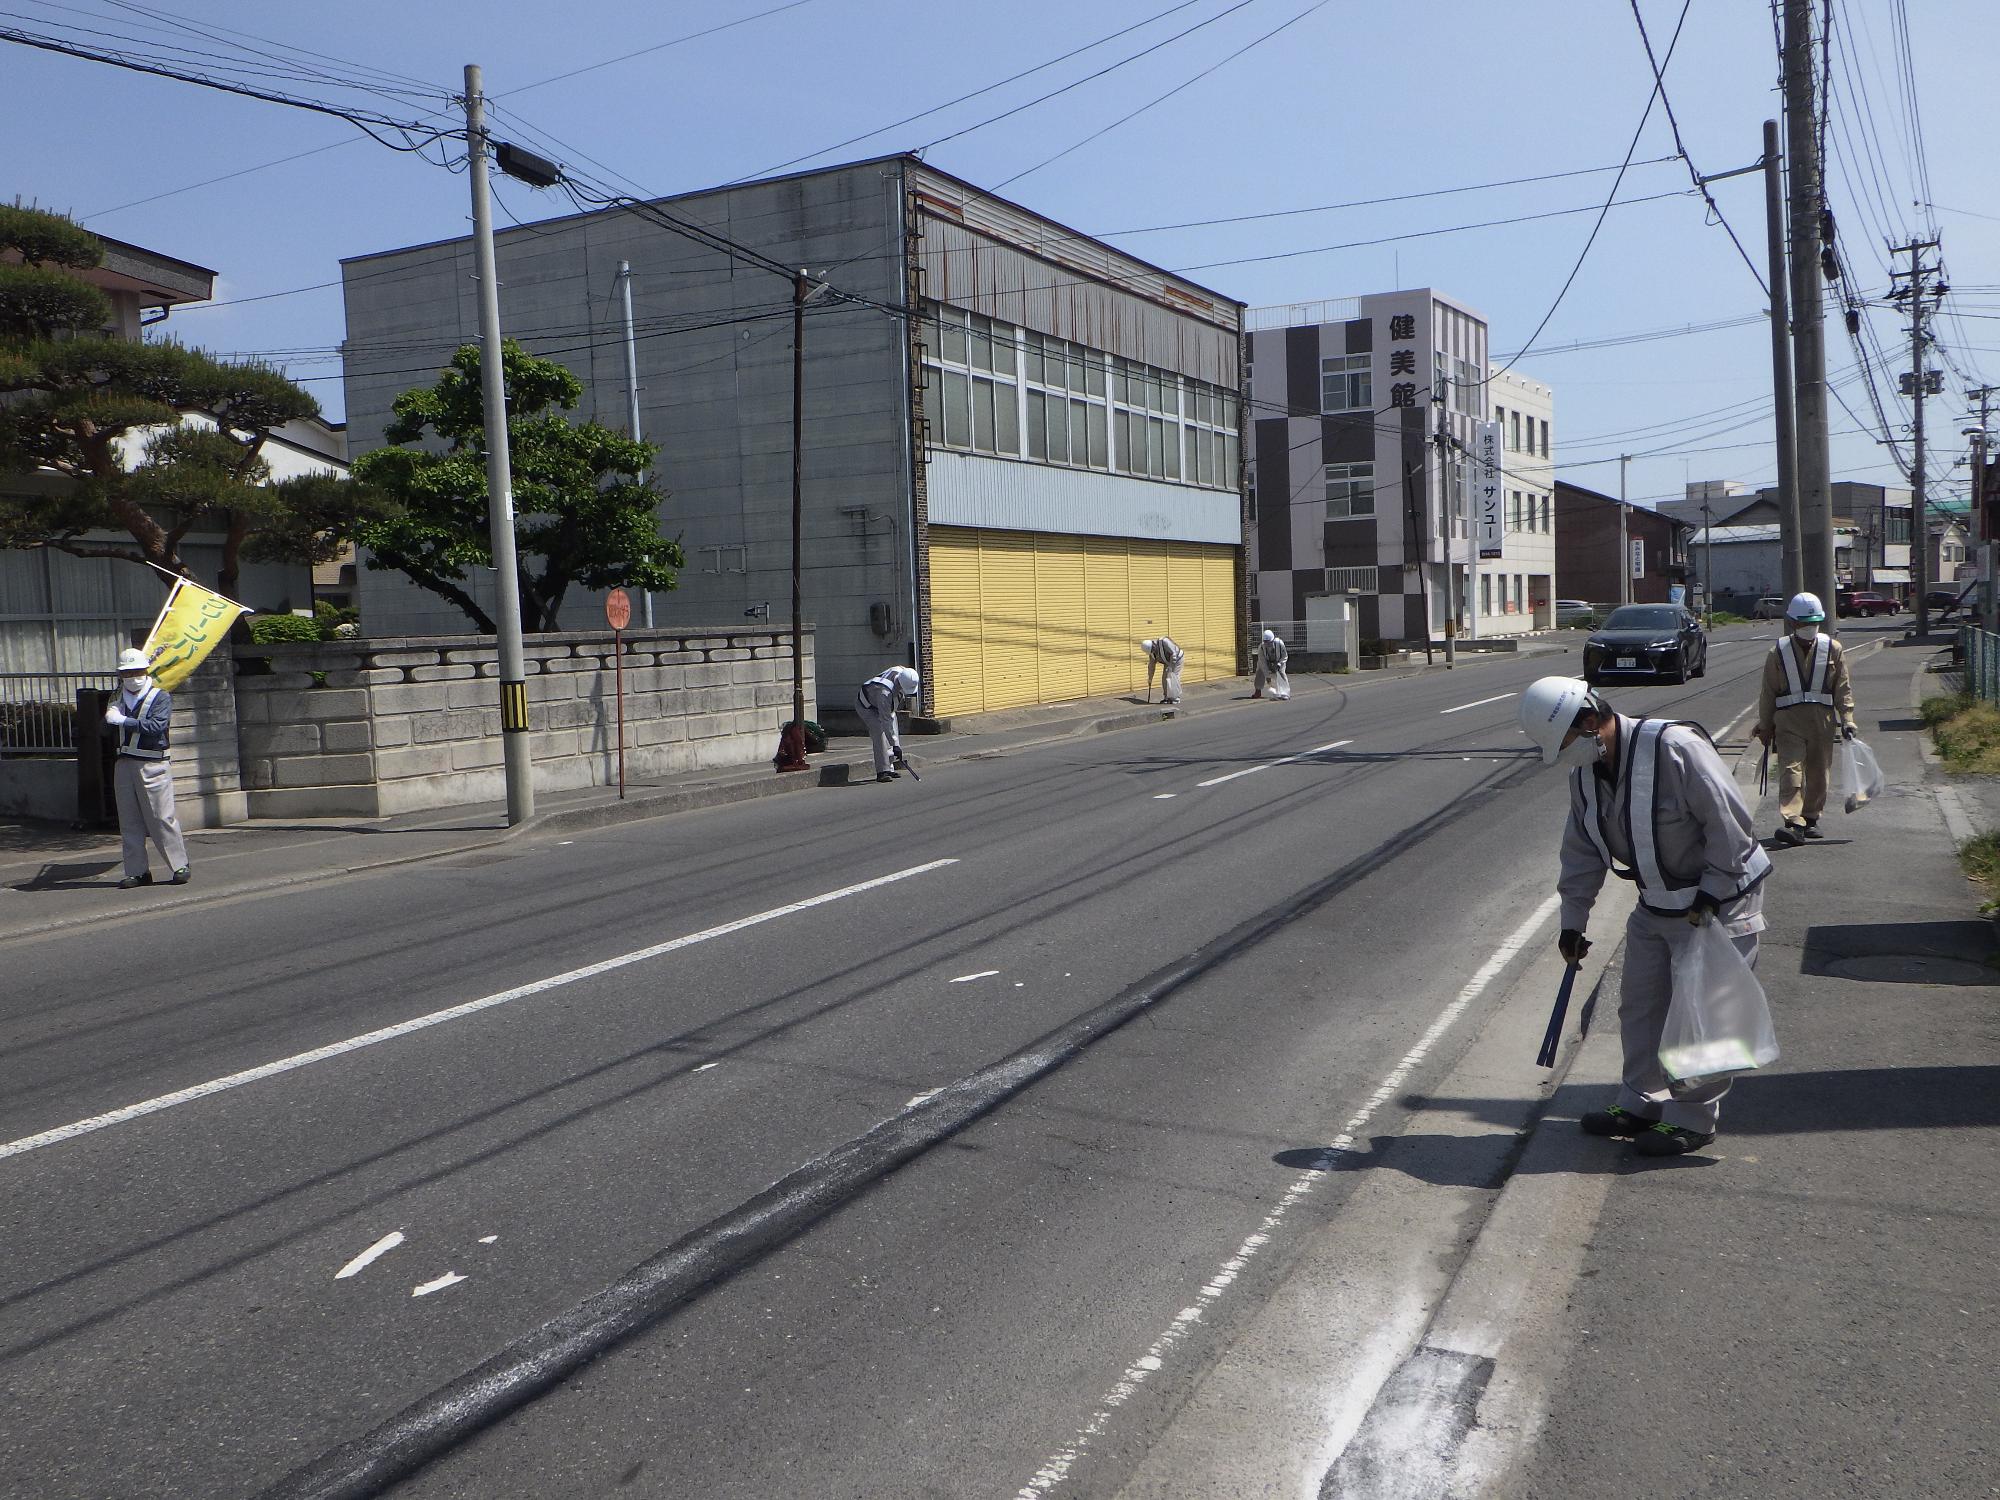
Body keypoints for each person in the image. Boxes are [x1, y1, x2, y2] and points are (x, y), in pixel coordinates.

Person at [1518, 675, 1771, 1157]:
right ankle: (1641, 1101)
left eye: (1567, 743)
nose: (1566, 756)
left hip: (1722, 899)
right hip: (1657, 900)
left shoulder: (1676, 748)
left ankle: (1693, 1118)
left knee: (1705, 1012)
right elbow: (1581, 850)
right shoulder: (1585, 775)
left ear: (1592, 722)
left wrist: (1713, 892)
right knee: (1640, 1005)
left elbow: (1730, 825)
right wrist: (1574, 920)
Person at [1753, 591, 1856, 846]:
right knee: (1791, 771)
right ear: (1793, 623)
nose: (1810, 628)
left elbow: (1843, 688)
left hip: (1822, 721)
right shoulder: (1778, 652)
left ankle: (1811, 818)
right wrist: (1765, 726)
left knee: (1819, 772)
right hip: (1788, 722)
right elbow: (1768, 692)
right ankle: (1793, 821)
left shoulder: (1833, 648)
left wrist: (1848, 718)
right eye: (1804, 623)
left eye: (1814, 623)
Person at [104, 646, 190, 889]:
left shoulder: (160, 696)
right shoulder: (117, 697)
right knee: (129, 821)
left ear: (146, 670)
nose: (133, 677)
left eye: (137, 671)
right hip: (124, 764)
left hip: (153, 763)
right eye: (127, 673)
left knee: (161, 817)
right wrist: (109, 716)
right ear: (121, 675)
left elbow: (156, 726)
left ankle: (179, 865)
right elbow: (104, 729)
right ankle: (137, 871)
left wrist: (124, 720)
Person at [856, 665, 919, 783]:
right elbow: (886, 720)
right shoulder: (884, 693)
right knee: (879, 733)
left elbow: (890, 718)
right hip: (867, 707)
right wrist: (895, 745)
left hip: (882, 705)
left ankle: (889, 768)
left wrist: (895, 744)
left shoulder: (903, 672)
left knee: (892, 729)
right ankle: (882, 771)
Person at [1140, 636, 1184, 705]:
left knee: (1173, 677)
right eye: (1151, 651)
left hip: (1177, 659)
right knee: (1165, 678)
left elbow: (1174, 654)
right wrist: (1150, 678)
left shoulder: (1164, 641)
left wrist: (1171, 667)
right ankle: (1166, 697)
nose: (1153, 652)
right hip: (1168, 661)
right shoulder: (1152, 654)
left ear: (1153, 645)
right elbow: (1151, 667)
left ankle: (1175, 698)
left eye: (1153, 649)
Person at [1252, 629, 1290, 701]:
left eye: (1269, 642)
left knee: (1281, 673)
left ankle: (1285, 693)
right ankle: (1258, 690)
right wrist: (1269, 681)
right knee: (1260, 671)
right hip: (1266, 661)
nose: (1267, 645)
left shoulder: (1280, 644)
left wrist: (1279, 664)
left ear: (1273, 640)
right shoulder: (1261, 648)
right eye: (1265, 642)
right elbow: (1263, 664)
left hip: (1279, 660)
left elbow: (1285, 656)